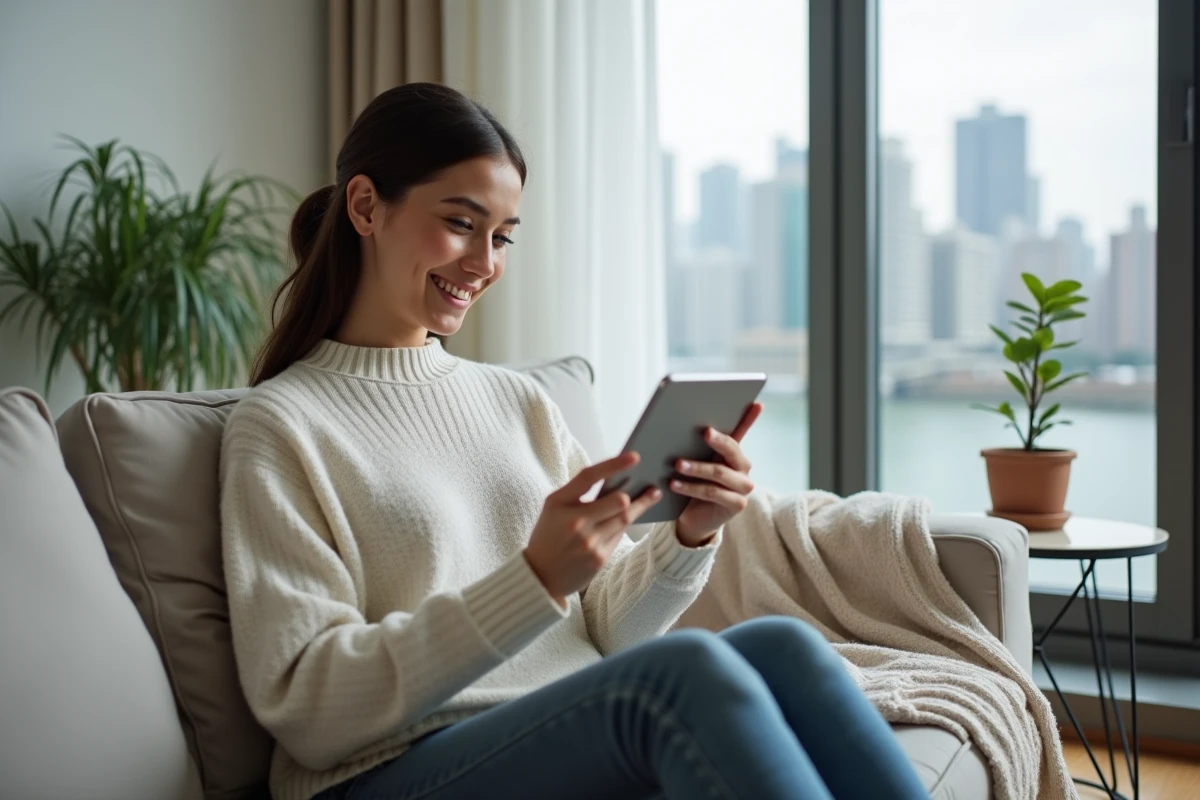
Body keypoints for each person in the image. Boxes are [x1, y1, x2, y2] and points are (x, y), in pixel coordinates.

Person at [219, 82, 929, 800]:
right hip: (388, 771)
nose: (485, 263)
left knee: (787, 648)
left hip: (563, 729)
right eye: (462, 223)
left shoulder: (518, 400)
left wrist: (688, 537)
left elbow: (610, 633)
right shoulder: (281, 425)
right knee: (683, 676)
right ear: (366, 206)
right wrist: (533, 580)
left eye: (501, 237)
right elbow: (309, 706)